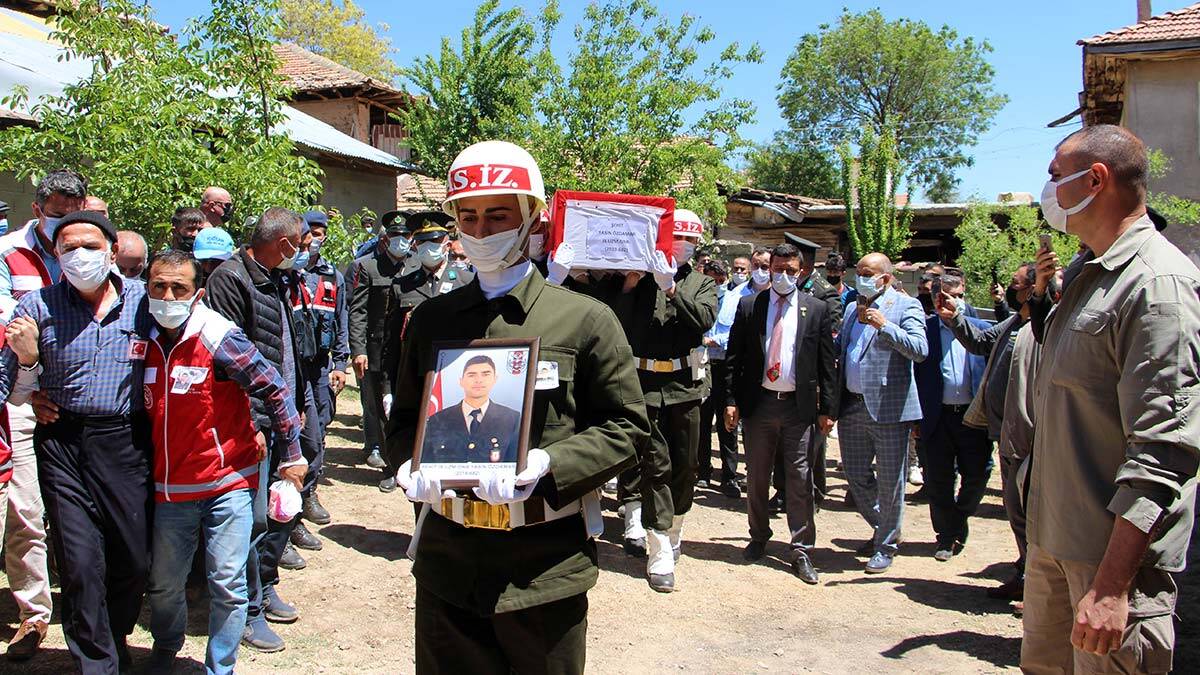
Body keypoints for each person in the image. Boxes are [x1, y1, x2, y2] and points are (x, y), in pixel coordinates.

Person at [390, 140, 648, 672]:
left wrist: (552, 464)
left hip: (543, 568)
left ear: (533, 218)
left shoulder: (585, 320)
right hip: (447, 563)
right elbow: (406, 421)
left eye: (498, 215)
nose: (481, 230)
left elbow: (627, 427)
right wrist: (406, 465)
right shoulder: (434, 320)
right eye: (469, 217)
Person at [1020, 125, 1200, 673]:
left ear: (1095, 180)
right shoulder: (1087, 273)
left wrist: (1112, 586)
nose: (1048, 190)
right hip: (1055, 544)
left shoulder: (1157, 285)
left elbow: (1162, 452)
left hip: (1107, 566)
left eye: (1055, 176)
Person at [132, 251, 305, 675]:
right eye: (158, 287)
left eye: (179, 288)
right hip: (171, 486)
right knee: (164, 584)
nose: (167, 296)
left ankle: (220, 667)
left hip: (227, 482)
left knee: (227, 583)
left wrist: (292, 454)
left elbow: (273, 387)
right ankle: (166, 648)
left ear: (198, 294)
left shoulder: (217, 336)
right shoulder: (139, 336)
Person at [0, 210, 152, 673]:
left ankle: (114, 636)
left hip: (126, 443)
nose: (80, 255)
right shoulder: (37, 307)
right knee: (80, 563)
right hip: (62, 442)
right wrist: (29, 366)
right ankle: (96, 662)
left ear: (112, 251)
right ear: (56, 253)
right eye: (69, 248)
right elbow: (7, 378)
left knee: (133, 559)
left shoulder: (146, 302)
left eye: (90, 246)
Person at [204, 207, 309, 654]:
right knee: (252, 521)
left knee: (278, 512)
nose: (302, 250)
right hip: (253, 422)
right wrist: (252, 423)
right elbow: (231, 361)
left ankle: (265, 587)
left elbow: (283, 347)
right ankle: (247, 612)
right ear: (282, 243)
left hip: (280, 413)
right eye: (298, 243)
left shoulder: (275, 277)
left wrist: (296, 406)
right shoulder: (230, 280)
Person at [0, 169, 84, 664]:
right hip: (23, 398)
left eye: (73, 215)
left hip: (77, 397)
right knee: (26, 512)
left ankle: (85, 600)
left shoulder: (90, 252)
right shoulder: (9, 253)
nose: (65, 226)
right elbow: (12, 332)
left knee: (79, 509)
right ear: (37, 211)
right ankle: (34, 613)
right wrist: (32, 374)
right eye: (56, 215)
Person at [724, 243, 837, 584]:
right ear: (769, 268)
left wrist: (827, 409)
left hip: (798, 409)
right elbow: (734, 358)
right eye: (778, 269)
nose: (783, 276)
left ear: (801, 273)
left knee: (799, 478)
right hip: (759, 404)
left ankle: (801, 548)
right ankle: (759, 535)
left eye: (790, 271)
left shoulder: (815, 309)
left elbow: (827, 363)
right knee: (757, 476)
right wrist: (731, 399)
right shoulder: (750, 305)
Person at [939, 262, 1037, 598]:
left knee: (1030, 508)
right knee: (1016, 508)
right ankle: (1025, 573)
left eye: (1016, 283)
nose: (1010, 288)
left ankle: (1036, 582)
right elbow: (981, 341)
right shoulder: (1014, 322)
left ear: (1034, 289)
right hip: (1005, 430)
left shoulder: (1044, 327)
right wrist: (954, 318)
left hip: (1030, 433)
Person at [835, 252, 927, 574]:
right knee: (855, 475)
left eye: (867, 273)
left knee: (891, 481)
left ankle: (885, 545)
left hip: (889, 408)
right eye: (858, 272)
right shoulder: (852, 309)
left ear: (885, 278)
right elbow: (843, 349)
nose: (860, 278)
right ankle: (885, 526)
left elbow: (919, 350)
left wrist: (884, 325)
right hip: (852, 406)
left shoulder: (907, 306)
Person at [914, 274, 991, 562]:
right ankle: (945, 537)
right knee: (939, 480)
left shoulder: (981, 330)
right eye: (946, 296)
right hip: (938, 417)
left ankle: (959, 517)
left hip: (974, 417)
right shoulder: (925, 331)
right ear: (936, 299)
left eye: (957, 295)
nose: (953, 301)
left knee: (979, 473)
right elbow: (915, 375)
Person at [776, 235, 842, 513]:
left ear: (806, 264)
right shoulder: (781, 289)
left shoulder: (824, 293)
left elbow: (830, 340)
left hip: (809, 381)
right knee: (782, 441)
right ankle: (782, 492)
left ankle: (814, 492)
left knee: (812, 445)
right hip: (782, 378)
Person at [698, 246, 770, 497]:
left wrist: (715, 341)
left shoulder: (766, 298)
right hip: (708, 366)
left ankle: (730, 476)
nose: (760, 271)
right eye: (756, 266)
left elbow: (733, 337)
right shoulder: (730, 297)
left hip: (734, 369)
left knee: (728, 424)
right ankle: (703, 472)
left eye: (764, 267)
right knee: (703, 422)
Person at [347, 212, 413, 476]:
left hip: (407, 350)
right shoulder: (368, 266)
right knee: (379, 407)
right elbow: (358, 311)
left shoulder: (415, 266)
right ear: (385, 239)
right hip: (377, 350)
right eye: (395, 235)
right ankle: (388, 464)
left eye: (405, 235)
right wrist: (358, 350)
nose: (401, 240)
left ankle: (408, 459)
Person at [298, 210, 349, 526]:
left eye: (319, 233)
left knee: (319, 427)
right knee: (297, 431)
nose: (315, 238)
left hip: (320, 364)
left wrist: (340, 363)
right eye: (310, 232)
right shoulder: (290, 272)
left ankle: (309, 492)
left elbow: (342, 320)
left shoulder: (333, 276)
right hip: (294, 365)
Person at [422, 355, 521, 463]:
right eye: (471, 375)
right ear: (461, 381)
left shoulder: (511, 419)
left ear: (495, 379)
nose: (478, 380)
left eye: (485, 374)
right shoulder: (438, 420)